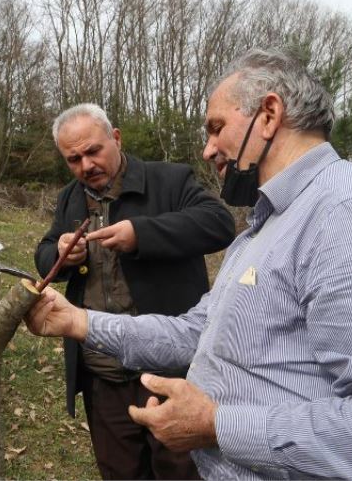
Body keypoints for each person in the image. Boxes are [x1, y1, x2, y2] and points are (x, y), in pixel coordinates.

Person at [26, 48, 352, 480]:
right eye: (73, 158)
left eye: (216, 128)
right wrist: (76, 322)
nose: (207, 150)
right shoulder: (262, 230)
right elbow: (194, 331)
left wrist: (216, 425)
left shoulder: (343, 211)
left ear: (269, 115)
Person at [35, 103, 235, 479]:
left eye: (93, 151)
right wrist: (59, 253)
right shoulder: (71, 198)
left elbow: (218, 223)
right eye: (73, 159)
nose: (86, 166)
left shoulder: (169, 180)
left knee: (181, 471)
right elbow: (44, 254)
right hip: (103, 372)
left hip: (170, 372)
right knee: (121, 471)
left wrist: (141, 234)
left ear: (115, 138)